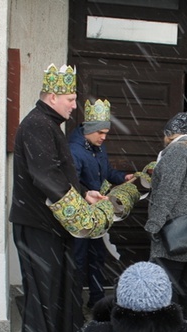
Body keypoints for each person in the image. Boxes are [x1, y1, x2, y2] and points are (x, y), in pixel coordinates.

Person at [9, 64, 106, 332]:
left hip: (47, 225)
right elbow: (46, 177)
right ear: (52, 97)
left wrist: (84, 196)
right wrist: (81, 216)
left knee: (52, 289)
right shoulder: (38, 125)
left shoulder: (47, 124)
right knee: (43, 291)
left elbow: (60, 176)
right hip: (39, 225)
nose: (75, 105)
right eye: (70, 99)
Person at [145, 112, 187, 321]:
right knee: (185, 287)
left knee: (168, 289)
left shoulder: (176, 154)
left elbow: (167, 193)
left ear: (169, 135)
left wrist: (153, 225)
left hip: (176, 233)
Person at [69, 99, 134, 309]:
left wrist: (123, 177)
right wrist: (87, 193)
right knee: (78, 260)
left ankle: (96, 300)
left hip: (98, 215)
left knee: (97, 257)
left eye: (106, 133)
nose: (104, 137)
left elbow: (106, 172)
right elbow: (70, 184)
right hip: (80, 216)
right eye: (101, 133)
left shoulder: (98, 147)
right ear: (89, 130)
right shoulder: (74, 150)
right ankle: (74, 303)